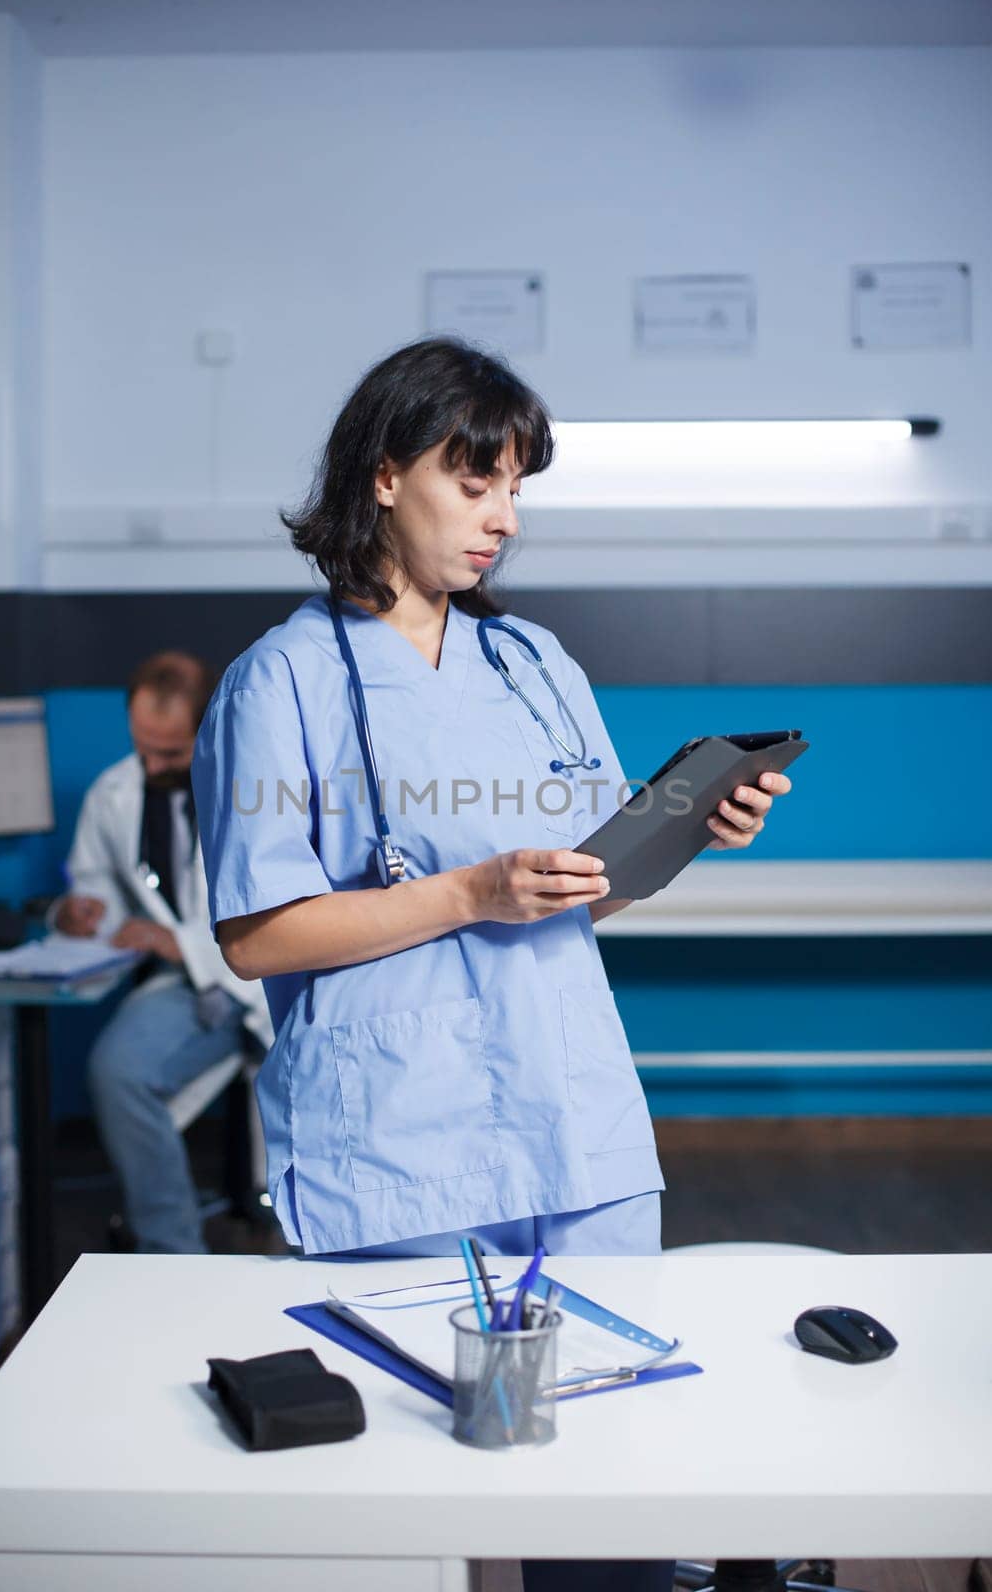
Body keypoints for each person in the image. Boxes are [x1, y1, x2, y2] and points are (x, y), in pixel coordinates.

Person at [192, 339, 792, 1592]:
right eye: (476, 484)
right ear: (382, 475)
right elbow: (256, 935)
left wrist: (683, 830)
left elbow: (588, 892)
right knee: (404, 1507)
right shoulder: (282, 682)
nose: (503, 520)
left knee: (610, 1496)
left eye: (516, 487)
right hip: (403, 1144)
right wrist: (468, 891)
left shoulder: (535, 664)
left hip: (576, 1126)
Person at [54, 651, 272, 1255]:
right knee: (119, 1072)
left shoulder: (254, 788)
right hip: (183, 984)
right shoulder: (116, 790)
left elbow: (275, 911)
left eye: (170, 754)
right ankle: (173, 1254)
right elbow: (94, 880)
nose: (151, 766)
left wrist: (173, 941)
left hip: (250, 980)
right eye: (142, 747)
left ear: (206, 729)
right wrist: (80, 909)